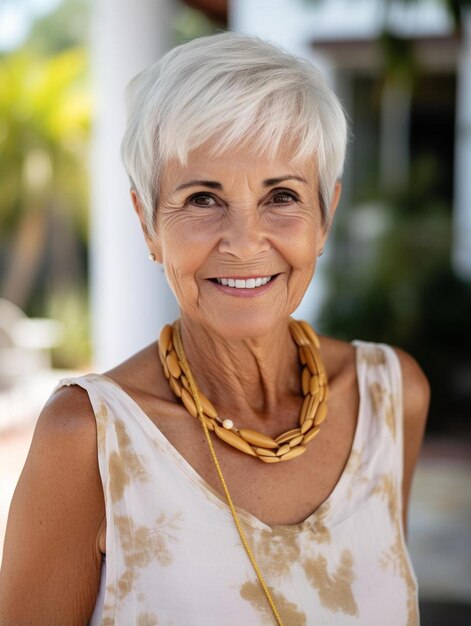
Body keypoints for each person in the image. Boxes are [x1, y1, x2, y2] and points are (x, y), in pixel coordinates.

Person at [0, 32, 430, 626]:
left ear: (326, 215)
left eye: (282, 195)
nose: (245, 241)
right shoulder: (89, 440)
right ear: (148, 223)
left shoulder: (391, 396)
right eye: (203, 199)